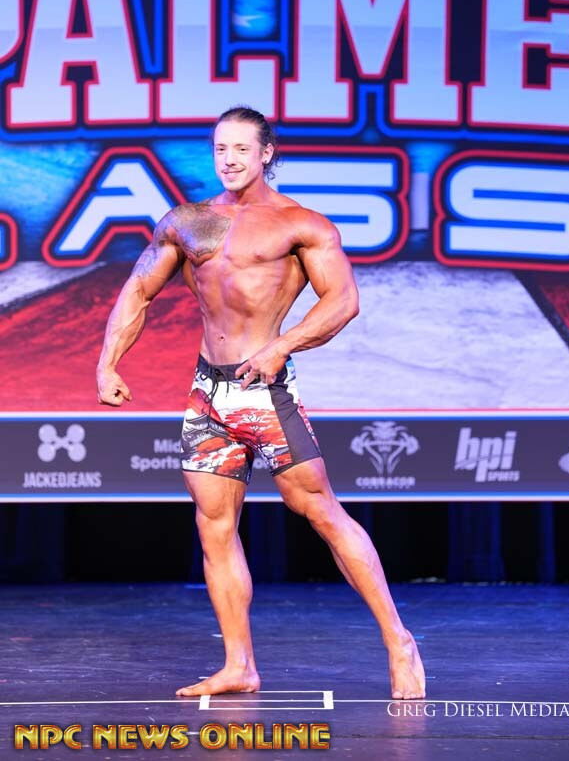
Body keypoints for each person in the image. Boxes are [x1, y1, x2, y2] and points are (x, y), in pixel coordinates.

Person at [96, 106, 426, 700]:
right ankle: (239, 665)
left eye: (242, 149)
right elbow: (138, 290)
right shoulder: (188, 222)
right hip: (208, 394)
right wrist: (107, 362)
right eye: (220, 149)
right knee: (214, 528)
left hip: (265, 391)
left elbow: (342, 300)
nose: (229, 160)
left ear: (266, 153)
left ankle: (398, 640)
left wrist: (282, 346)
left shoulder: (300, 224)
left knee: (319, 509)